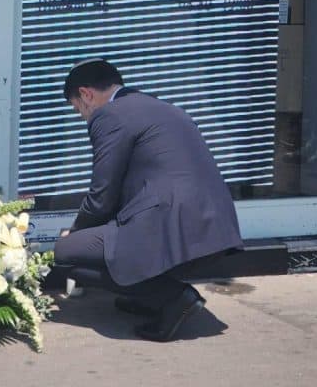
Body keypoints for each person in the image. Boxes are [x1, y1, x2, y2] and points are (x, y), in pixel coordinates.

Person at [53, 58, 244, 341]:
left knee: (65, 253)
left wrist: (76, 231)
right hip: (211, 225)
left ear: (86, 94)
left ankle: (174, 298)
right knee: (111, 241)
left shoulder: (109, 115)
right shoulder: (156, 105)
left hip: (168, 221)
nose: (81, 116)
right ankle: (148, 297)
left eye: (76, 108)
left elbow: (102, 194)